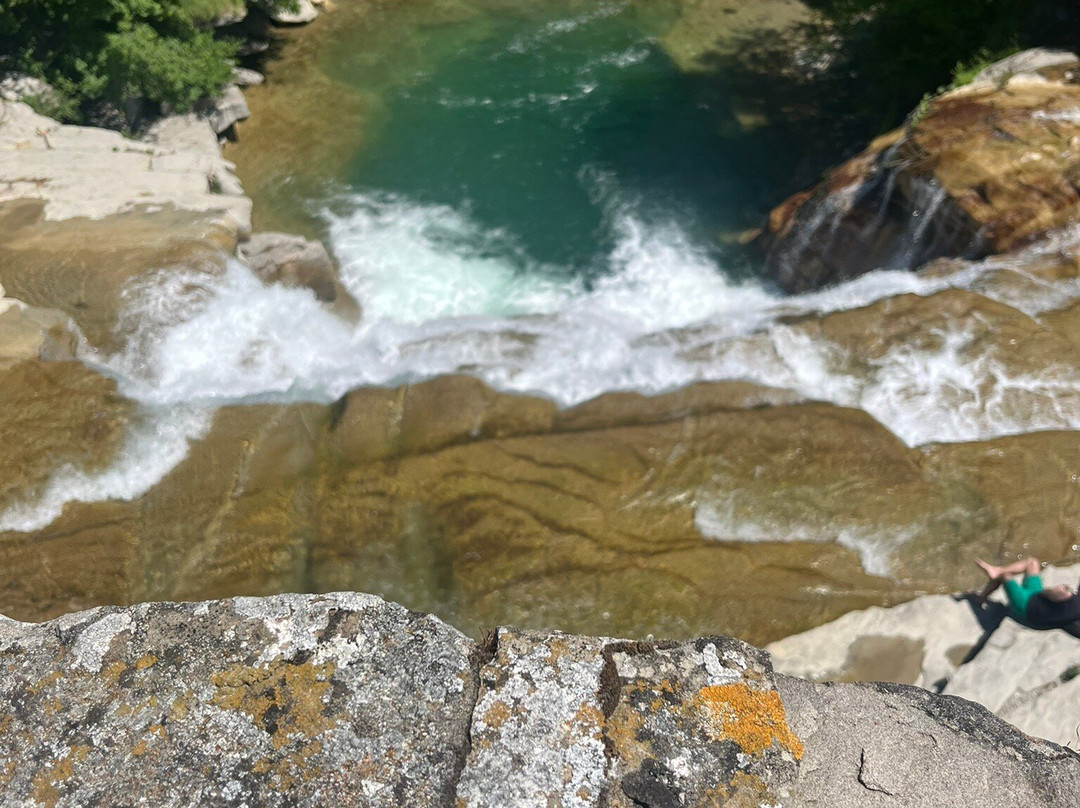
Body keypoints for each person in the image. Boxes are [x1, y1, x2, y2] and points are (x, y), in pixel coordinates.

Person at [975, 557, 1080, 638]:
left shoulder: (1069, 599)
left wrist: (1063, 589)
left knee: (1005, 576)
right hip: (1036, 600)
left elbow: (1046, 593)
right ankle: (996, 572)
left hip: (1026, 607)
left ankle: (983, 595)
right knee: (1032, 563)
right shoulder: (1074, 616)